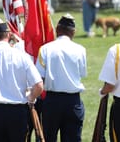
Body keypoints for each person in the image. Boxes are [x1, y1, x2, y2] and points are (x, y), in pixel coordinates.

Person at [36, 14, 87, 142]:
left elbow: (39, 77)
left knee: (48, 138)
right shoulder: (80, 50)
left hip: (52, 101)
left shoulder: (45, 49)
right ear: (73, 32)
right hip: (73, 101)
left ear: (57, 30)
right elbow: (82, 73)